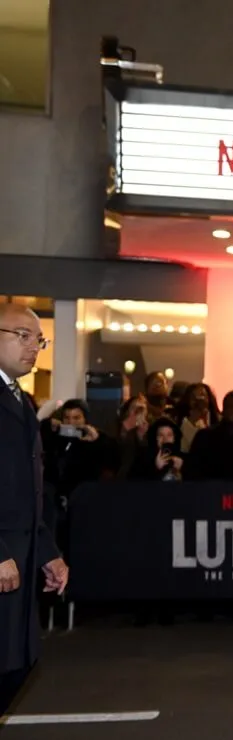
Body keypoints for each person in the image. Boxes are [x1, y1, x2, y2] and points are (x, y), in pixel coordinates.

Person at [0, 303, 69, 716]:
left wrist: (49, 553)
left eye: (38, 340)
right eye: (22, 336)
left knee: (18, 664)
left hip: (22, 557)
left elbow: (30, 489)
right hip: (3, 556)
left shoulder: (21, 400)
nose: (33, 348)